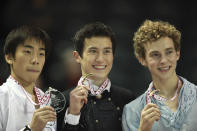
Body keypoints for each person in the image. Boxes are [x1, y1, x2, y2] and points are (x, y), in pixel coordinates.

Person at [122, 19, 197, 131]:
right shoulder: (132, 111)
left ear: (177, 54)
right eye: (155, 54)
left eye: (169, 52)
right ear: (142, 60)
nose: (163, 60)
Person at [60, 22, 136, 131]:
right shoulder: (61, 102)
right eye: (93, 51)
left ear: (113, 56)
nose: (100, 59)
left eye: (106, 51)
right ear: (77, 57)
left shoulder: (128, 98)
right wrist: (73, 116)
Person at [0, 25, 57, 131]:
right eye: (27, 52)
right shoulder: (2, 97)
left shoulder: (46, 100)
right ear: (9, 57)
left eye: (41, 53)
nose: (36, 60)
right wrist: (31, 129)